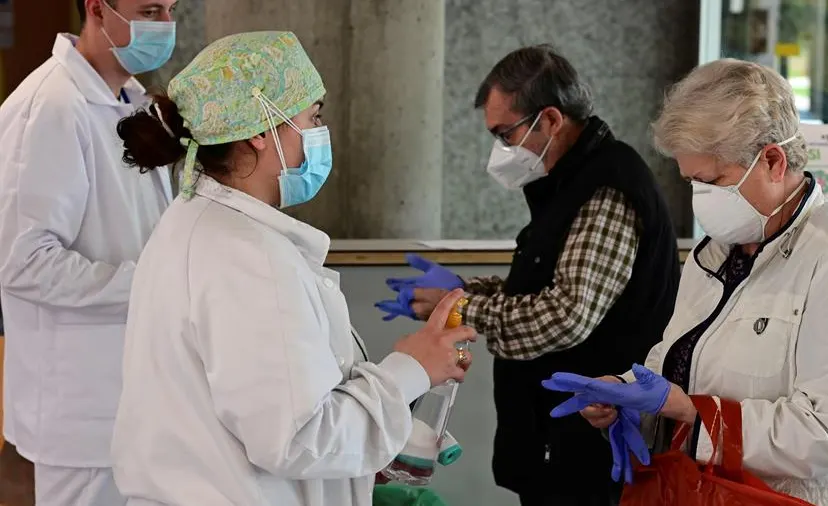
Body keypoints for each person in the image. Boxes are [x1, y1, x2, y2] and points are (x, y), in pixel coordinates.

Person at [111, 31, 476, 506]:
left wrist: (375, 453)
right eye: (314, 116)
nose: (321, 133)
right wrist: (413, 369)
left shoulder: (196, 223)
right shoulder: (246, 256)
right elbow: (298, 438)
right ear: (262, 130)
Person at [562, 59, 828, 506]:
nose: (702, 199)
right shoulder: (716, 252)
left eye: (713, 181)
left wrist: (689, 412)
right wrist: (629, 396)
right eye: (692, 183)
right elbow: (678, 360)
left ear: (774, 161)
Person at [377, 44, 680, 506]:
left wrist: (463, 307)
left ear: (551, 120)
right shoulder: (563, 186)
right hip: (549, 441)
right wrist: (459, 292)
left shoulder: (608, 188)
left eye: (505, 134)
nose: (500, 150)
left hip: (593, 443)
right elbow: (543, 287)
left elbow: (566, 314)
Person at [0, 1, 177, 504]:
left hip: (135, 397)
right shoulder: (51, 106)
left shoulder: (131, 102)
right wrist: (153, 284)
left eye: (170, 9)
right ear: (97, 8)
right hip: (82, 409)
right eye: (148, 10)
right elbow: (24, 262)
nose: (164, 26)